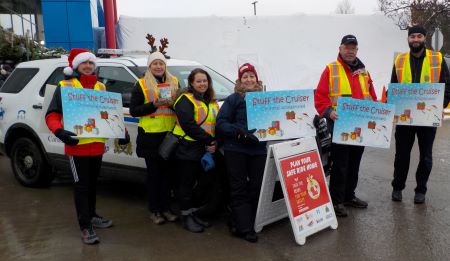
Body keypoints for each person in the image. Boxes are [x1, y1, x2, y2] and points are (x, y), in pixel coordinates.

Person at [46, 48, 130, 244]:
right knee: (81, 187)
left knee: (92, 184)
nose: (88, 66)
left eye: (91, 63)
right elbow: (52, 115)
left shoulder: (101, 87)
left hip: (97, 146)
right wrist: (59, 132)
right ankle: (85, 226)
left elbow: (110, 113)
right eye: (84, 63)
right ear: (76, 65)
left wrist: (122, 132)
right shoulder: (65, 85)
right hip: (77, 147)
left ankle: (91, 215)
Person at [315, 35, 377, 217]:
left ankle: (349, 196)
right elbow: (320, 96)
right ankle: (337, 201)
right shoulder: (331, 69)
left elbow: (371, 97)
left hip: (360, 127)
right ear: (340, 49)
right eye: (347, 47)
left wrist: (378, 112)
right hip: (339, 125)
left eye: (353, 48)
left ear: (357, 50)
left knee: (355, 163)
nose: (350, 51)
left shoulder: (364, 72)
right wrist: (328, 112)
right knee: (340, 164)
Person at [390, 25, 450, 204]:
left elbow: (447, 87)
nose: (415, 39)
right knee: (401, 155)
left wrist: (440, 106)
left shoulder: (437, 59)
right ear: (408, 39)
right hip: (405, 117)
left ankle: (420, 190)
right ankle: (397, 187)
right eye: (412, 37)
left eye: (419, 36)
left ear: (425, 38)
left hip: (426, 118)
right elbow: (393, 86)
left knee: (425, 156)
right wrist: (390, 106)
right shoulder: (399, 60)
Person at [216, 63, 266, 243]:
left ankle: (246, 220)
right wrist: (238, 131)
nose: (249, 79)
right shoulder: (233, 99)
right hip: (236, 149)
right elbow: (221, 123)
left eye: (252, 76)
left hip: (258, 150)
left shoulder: (265, 99)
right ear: (239, 80)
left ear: (257, 79)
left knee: (257, 186)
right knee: (239, 187)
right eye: (245, 77)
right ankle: (244, 228)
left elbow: (280, 119)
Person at [129, 51, 179, 224]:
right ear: (149, 66)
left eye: (161, 63)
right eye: (155, 63)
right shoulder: (141, 84)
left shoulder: (174, 82)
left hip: (169, 136)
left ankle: (166, 208)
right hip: (150, 137)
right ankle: (155, 210)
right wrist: (153, 105)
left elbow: (180, 108)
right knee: (154, 175)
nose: (158, 66)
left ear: (165, 66)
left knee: (168, 176)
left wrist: (174, 104)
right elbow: (134, 110)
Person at [172, 68, 219, 233]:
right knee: (185, 185)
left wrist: (215, 142)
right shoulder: (185, 100)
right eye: (198, 81)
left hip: (203, 149)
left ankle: (193, 214)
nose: (202, 84)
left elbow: (215, 124)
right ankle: (186, 217)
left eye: (205, 81)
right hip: (186, 148)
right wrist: (210, 140)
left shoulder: (210, 100)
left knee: (201, 184)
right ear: (191, 83)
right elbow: (188, 125)